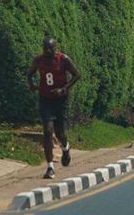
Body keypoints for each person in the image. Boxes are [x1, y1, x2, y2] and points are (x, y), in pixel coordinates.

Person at [26, 36, 81, 179]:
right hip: (45, 99)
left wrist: (64, 89)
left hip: (61, 100)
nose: (48, 51)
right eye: (45, 48)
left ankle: (66, 148)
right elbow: (30, 74)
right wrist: (32, 84)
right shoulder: (39, 60)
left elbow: (77, 74)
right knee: (48, 131)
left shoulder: (63, 59)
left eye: (50, 48)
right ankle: (50, 167)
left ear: (55, 48)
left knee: (60, 133)